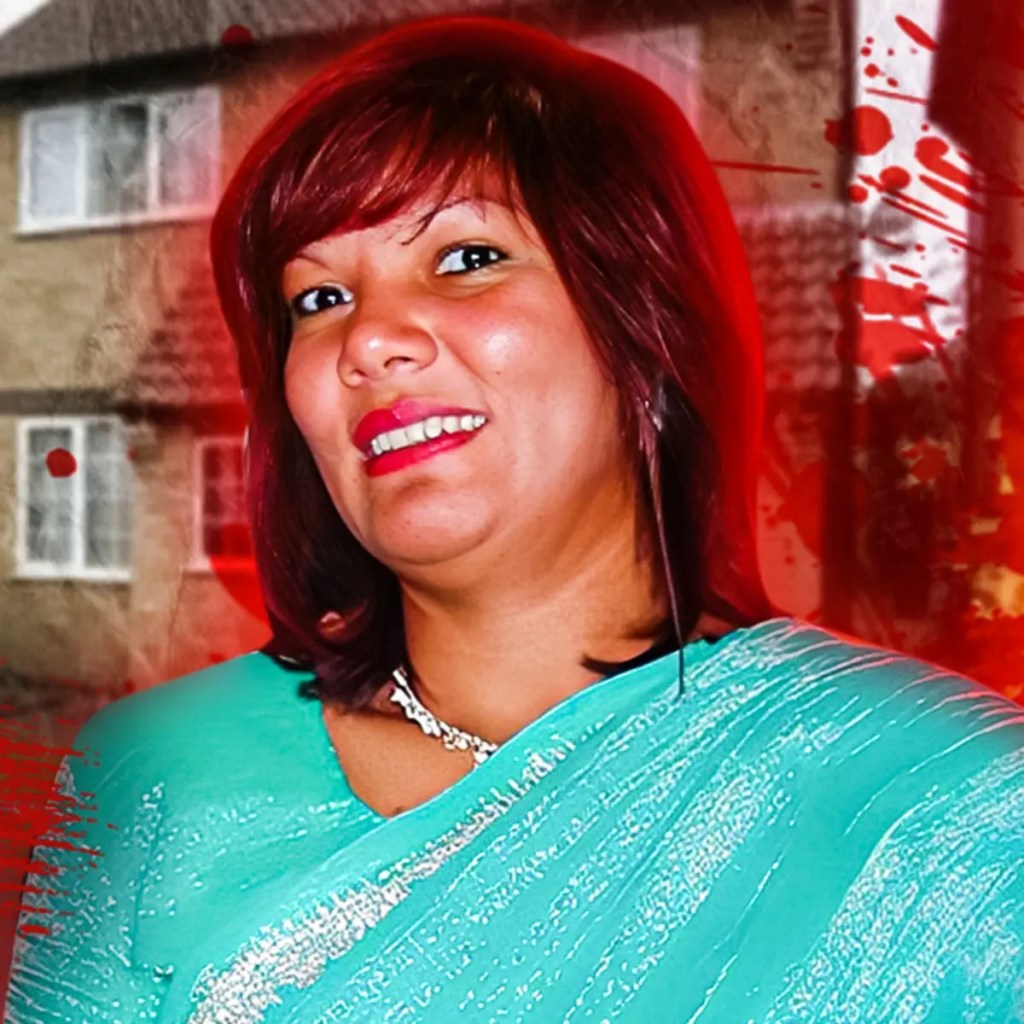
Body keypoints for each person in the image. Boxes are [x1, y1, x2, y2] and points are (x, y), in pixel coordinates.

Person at [5, 15, 1023, 1024]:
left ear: (642, 332)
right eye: (316, 299)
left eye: (465, 257)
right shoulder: (158, 772)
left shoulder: (947, 813)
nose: (370, 340)